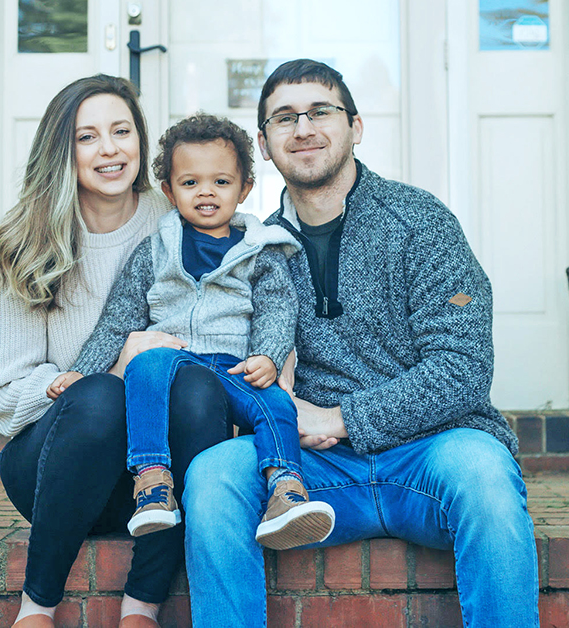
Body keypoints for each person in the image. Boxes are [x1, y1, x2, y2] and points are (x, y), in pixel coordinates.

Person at [181, 59, 540, 626]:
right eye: (284, 118)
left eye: (320, 111)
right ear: (264, 144)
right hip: (312, 472)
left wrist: (338, 418)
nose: (303, 129)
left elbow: (463, 367)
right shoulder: (251, 252)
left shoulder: (420, 223)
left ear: (356, 125)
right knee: (213, 474)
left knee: (486, 474)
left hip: (434, 453)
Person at [0, 75, 230, 628]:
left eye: (122, 131)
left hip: (157, 481)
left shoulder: (180, 222)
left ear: (142, 142)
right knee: (102, 397)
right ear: (61, 152)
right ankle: (36, 606)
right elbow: (0, 396)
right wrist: (114, 367)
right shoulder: (25, 243)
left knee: (191, 387)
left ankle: (142, 606)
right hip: (56, 469)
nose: (110, 149)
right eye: (88, 137)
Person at [54, 113, 336, 550]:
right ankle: (152, 483)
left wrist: (268, 356)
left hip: (233, 365)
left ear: (244, 189)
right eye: (190, 183)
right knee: (145, 362)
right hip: (176, 361)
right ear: (169, 190)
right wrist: (83, 371)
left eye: (221, 182)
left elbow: (278, 310)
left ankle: (286, 491)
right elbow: (119, 319)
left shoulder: (260, 252)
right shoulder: (154, 250)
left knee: (276, 403)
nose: (206, 192)